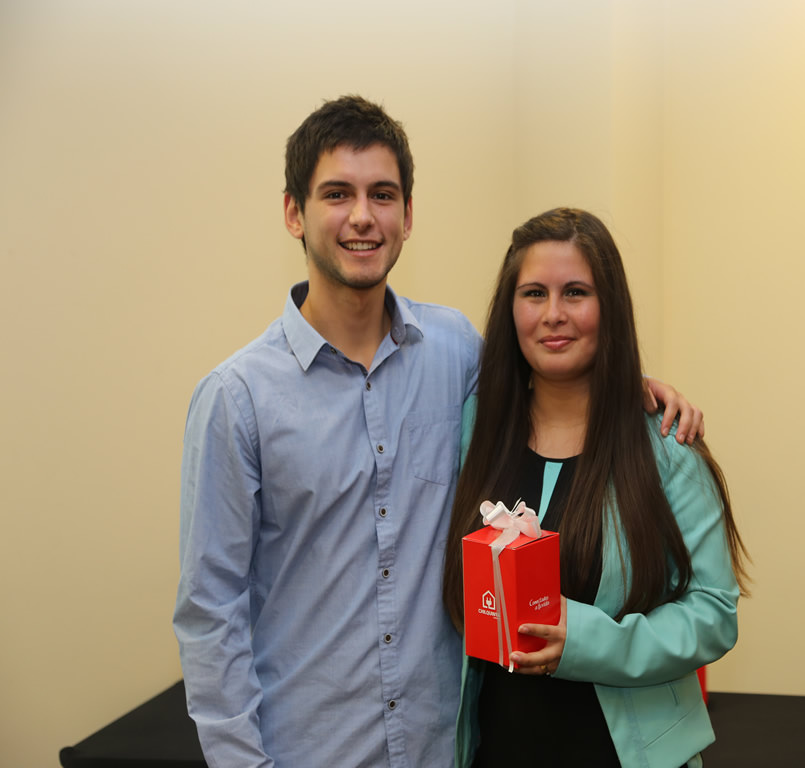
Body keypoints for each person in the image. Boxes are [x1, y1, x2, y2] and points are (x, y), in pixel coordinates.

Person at [173, 97, 703, 768]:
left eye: (382, 194)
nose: (362, 216)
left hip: (443, 748)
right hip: (309, 751)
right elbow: (211, 614)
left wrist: (633, 390)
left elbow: (549, 383)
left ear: (407, 216)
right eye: (336, 194)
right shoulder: (237, 399)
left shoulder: (455, 352)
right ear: (293, 213)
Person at [442, 208, 750, 768]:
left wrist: (586, 641)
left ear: (610, 307)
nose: (553, 314)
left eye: (576, 293)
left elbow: (713, 614)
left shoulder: (666, 449)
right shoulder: (472, 429)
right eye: (534, 293)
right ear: (510, 308)